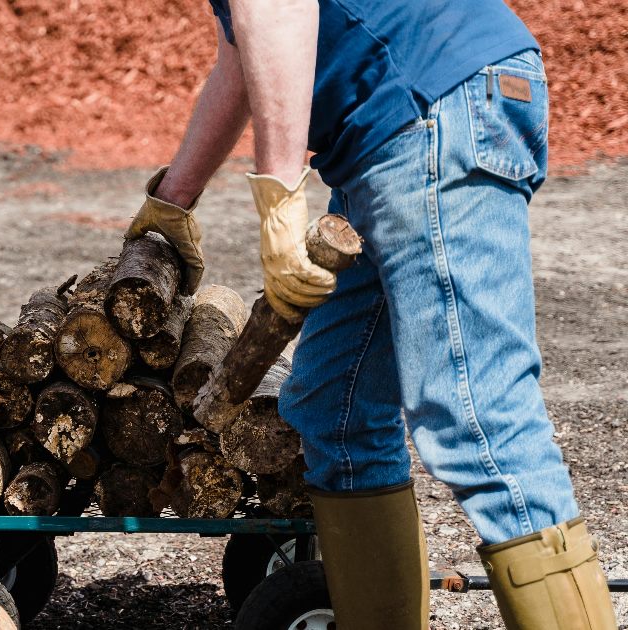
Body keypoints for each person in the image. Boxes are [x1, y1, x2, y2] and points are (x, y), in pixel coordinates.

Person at [126, 1, 616, 627]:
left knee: (474, 412)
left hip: (433, 110)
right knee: (336, 409)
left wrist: (279, 199)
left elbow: (277, 9)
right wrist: (175, 199)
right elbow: (243, 53)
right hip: (389, 142)